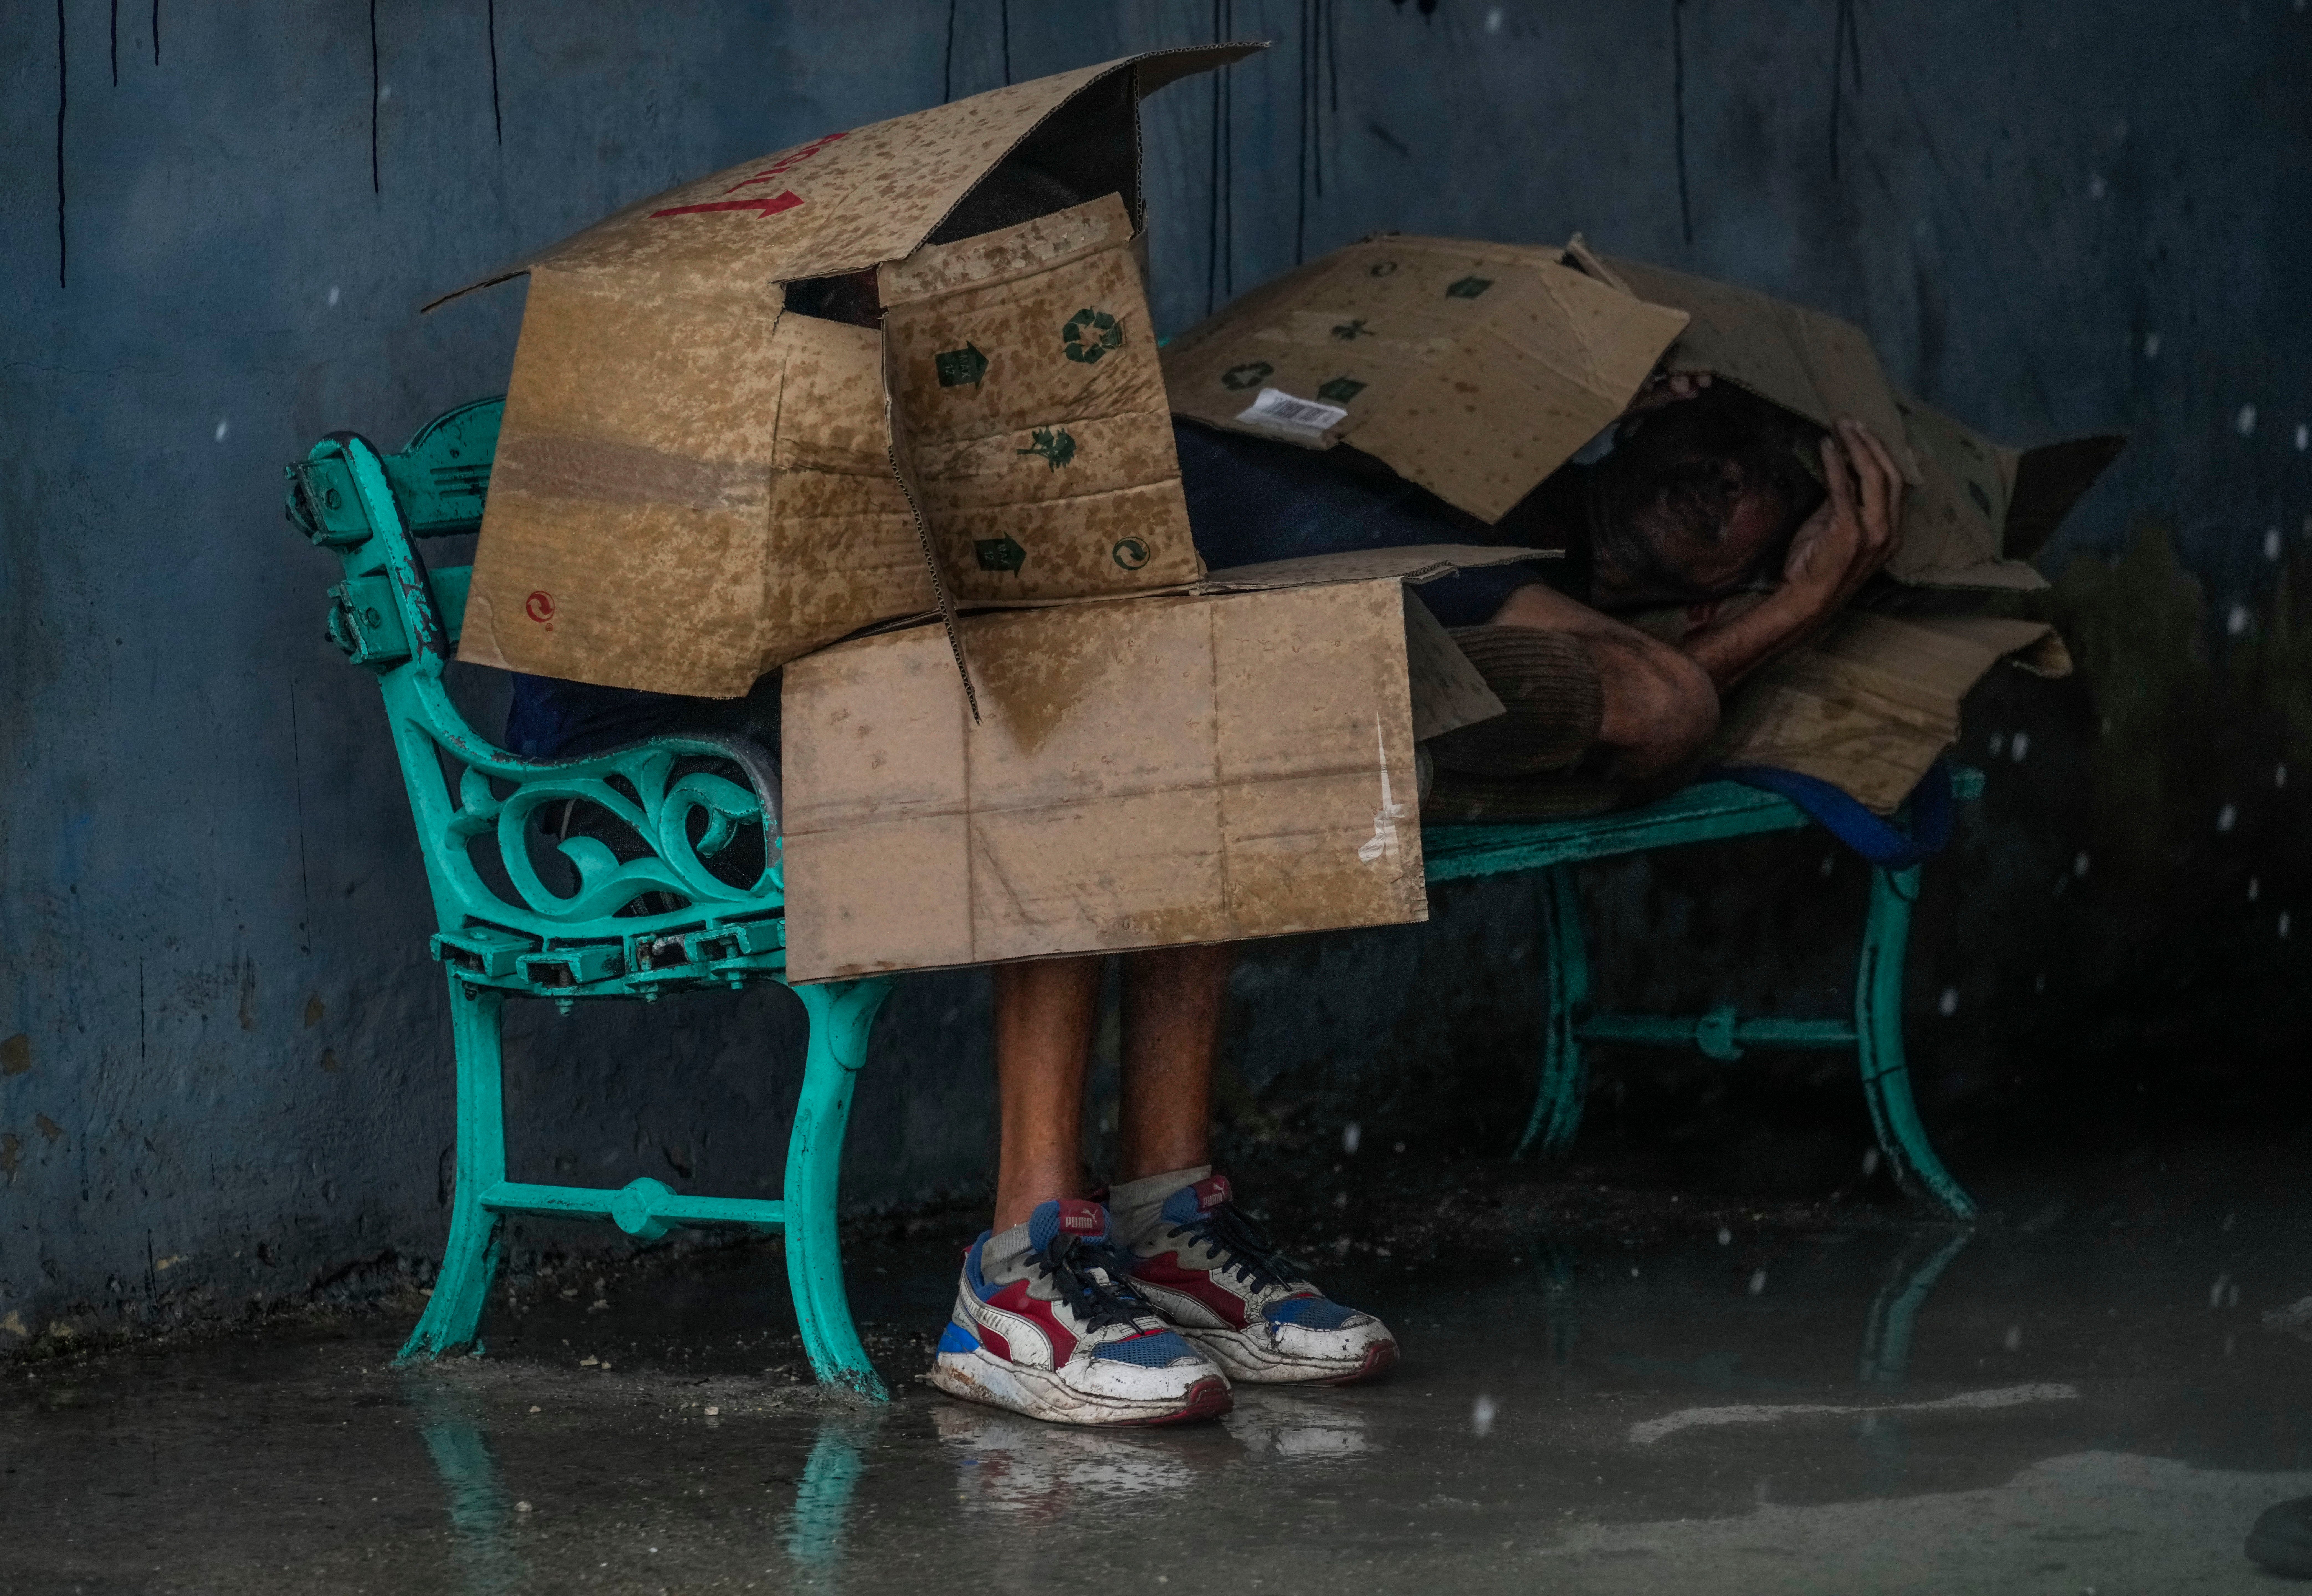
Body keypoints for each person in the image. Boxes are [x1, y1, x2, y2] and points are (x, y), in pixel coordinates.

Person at [503, 317, 1909, 1428]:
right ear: (1673, 393)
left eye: (1769, 509)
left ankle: (1161, 1219)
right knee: (1106, 710)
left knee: (1194, 700)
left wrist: (1790, 619)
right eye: (1741, 450)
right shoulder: (1310, 447)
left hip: (861, 719)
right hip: (653, 783)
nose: (1736, 489)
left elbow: (1647, 700)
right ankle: (1013, 1281)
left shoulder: (1435, 546)